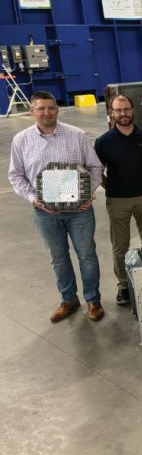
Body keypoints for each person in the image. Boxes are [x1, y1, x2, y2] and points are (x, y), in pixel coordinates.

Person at [8, 91, 105, 322]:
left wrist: (87, 193)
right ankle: (68, 300)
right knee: (58, 258)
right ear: (32, 111)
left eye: (51, 107)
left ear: (57, 109)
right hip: (45, 212)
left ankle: (93, 300)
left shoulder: (76, 135)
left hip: (79, 211)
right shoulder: (21, 140)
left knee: (87, 256)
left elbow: (95, 167)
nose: (46, 112)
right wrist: (33, 198)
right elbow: (16, 175)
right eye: (40, 108)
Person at [95, 95, 142, 305]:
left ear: (133, 111)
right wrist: (109, 186)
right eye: (118, 110)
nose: (123, 113)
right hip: (117, 201)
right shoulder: (103, 142)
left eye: (126, 109)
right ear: (112, 113)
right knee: (120, 246)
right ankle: (123, 286)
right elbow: (96, 170)